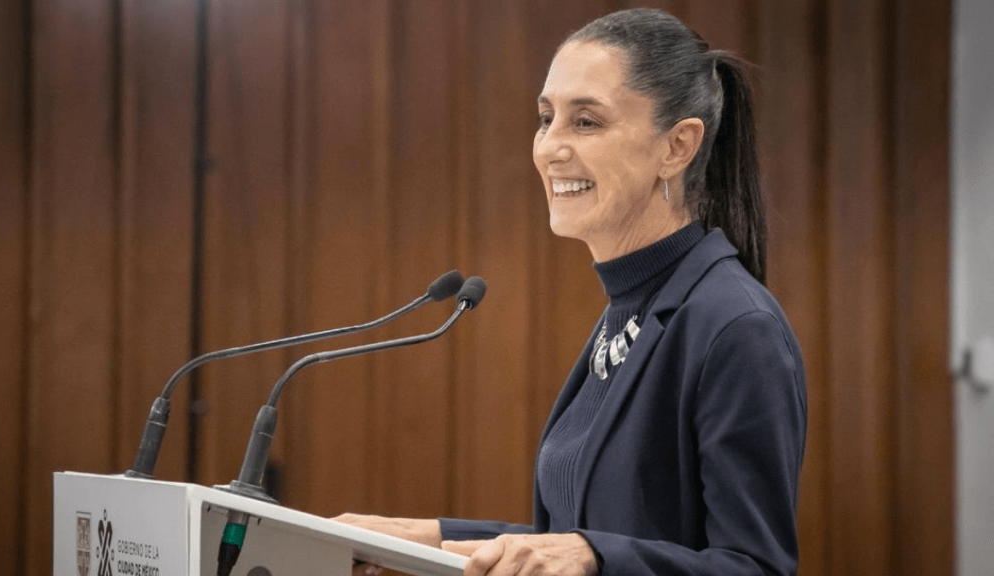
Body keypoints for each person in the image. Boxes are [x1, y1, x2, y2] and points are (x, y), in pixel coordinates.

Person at [336, 8, 807, 576]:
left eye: (585, 122)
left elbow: (754, 567)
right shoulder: (631, 307)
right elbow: (581, 536)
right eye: (545, 117)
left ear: (677, 147)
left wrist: (593, 557)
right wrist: (421, 539)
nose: (549, 148)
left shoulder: (734, 326)